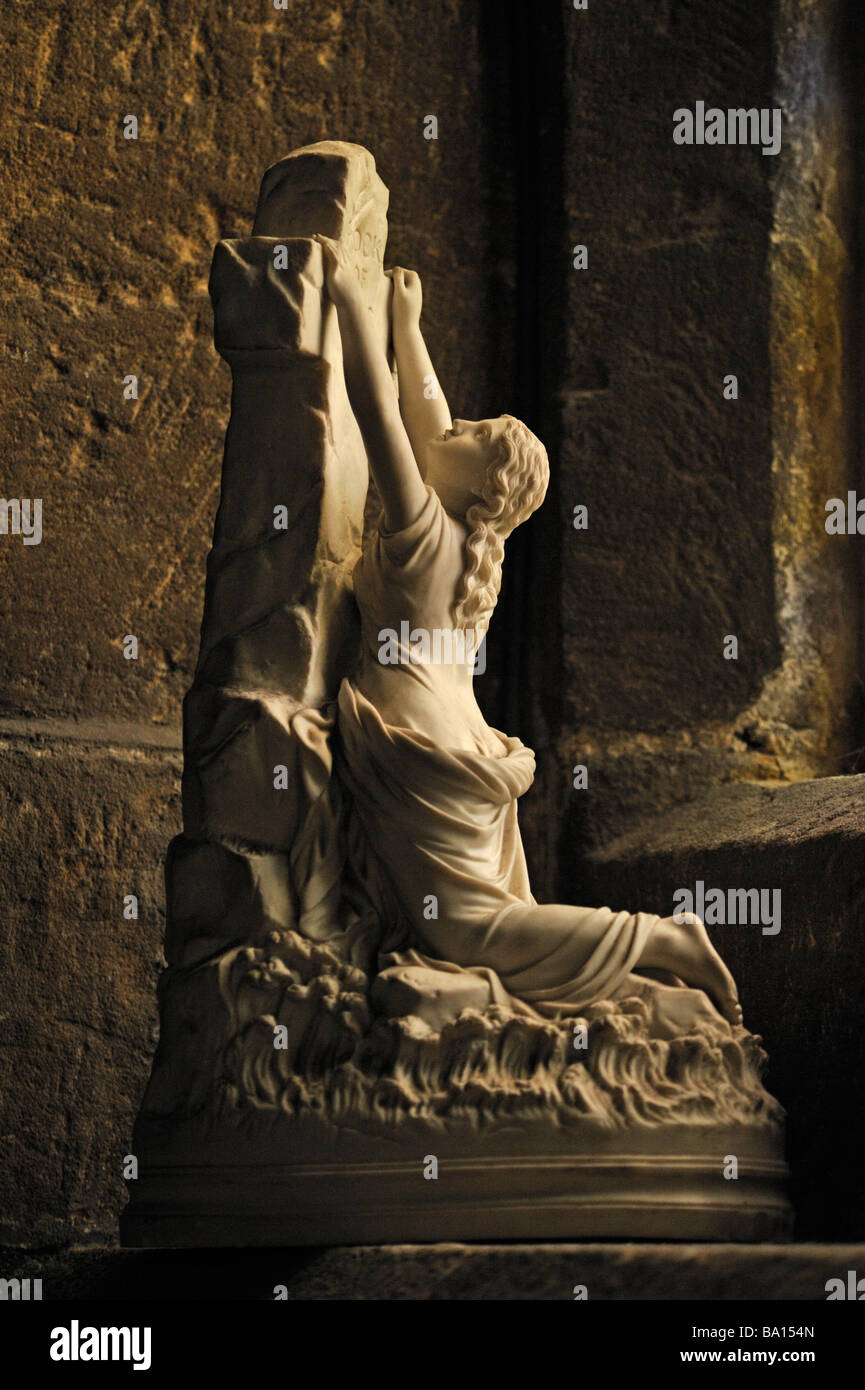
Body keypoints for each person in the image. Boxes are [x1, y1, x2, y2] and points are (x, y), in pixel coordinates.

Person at [317, 236, 741, 1027]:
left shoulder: (421, 535)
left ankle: (660, 938)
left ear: (477, 484)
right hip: (456, 749)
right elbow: (427, 419)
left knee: (471, 927)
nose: (454, 425)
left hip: (420, 755)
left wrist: (349, 302)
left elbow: (385, 418)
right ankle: (641, 995)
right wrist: (408, 326)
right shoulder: (475, 545)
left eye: (473, 435)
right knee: (483, 936)